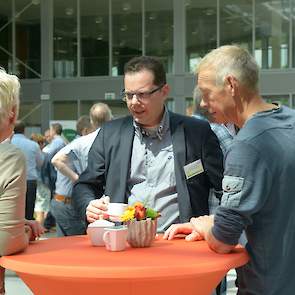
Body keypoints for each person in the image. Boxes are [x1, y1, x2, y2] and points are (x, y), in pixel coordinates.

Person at [163, 45, 295, 294]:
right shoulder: (290, 122)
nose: (202, 104)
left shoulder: (247, 145)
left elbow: (223, 240)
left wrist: (205, 226)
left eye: (206, 93)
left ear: (231, 85)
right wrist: (215, 220)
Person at [72, 56, 224, 233]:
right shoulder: (110, 134)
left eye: (142, 94)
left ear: (164, 91)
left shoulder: (196, 133)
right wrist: (89, 205)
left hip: (179, 244)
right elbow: (84, 185)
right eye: (129, 95)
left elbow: (223, 188)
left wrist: (214, 226)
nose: (134, 102)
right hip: (123, 243)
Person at [0, 68, 43, 294]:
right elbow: (5, 240)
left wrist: (17, 223)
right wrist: (22, 232)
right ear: (13, 113)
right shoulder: (9, 156)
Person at [51, 103, 112, 236]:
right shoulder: (105, 141)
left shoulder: (81, 142)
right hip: (74, 204)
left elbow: (56, 159)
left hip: (61, 201)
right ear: (110, 119)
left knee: (63, 249)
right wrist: (79, 180)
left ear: (92, 121)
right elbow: (56, 160)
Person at [11, 121, 44, 220]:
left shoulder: (6, 144)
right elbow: (40, 163)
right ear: (24, 130)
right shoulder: (33, 145)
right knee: (29, 214)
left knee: (13, 213)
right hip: (30, 181)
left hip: (12, 181)